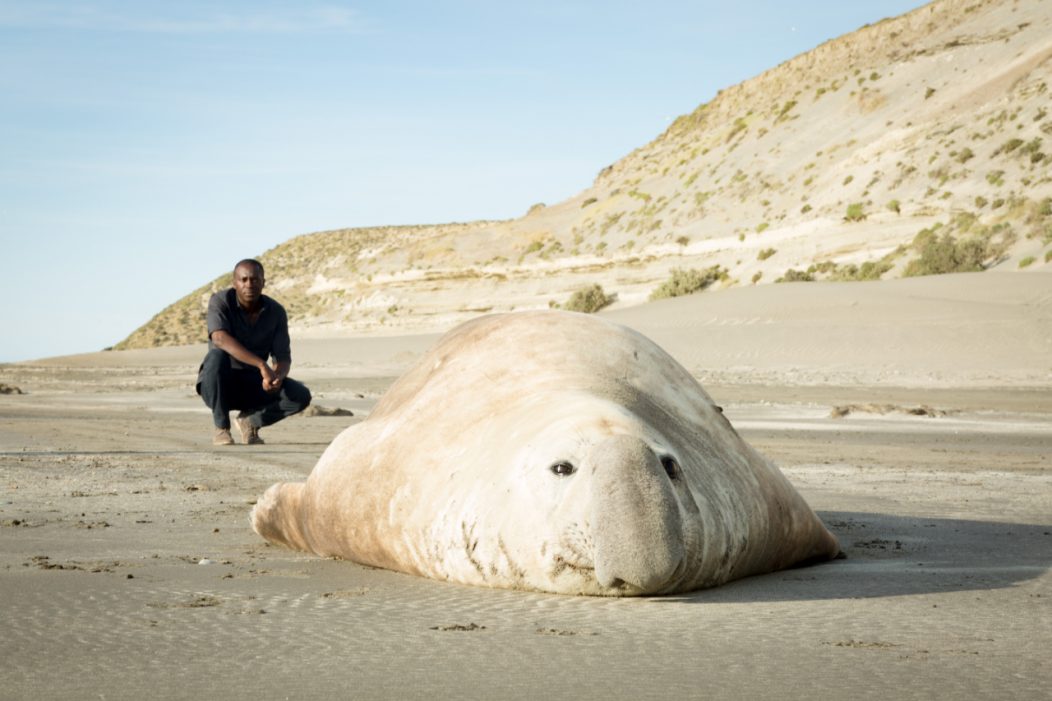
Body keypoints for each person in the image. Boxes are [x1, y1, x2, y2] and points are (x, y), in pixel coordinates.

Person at [195, 259, 311, 445]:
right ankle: (221, 428)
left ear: (263, 282)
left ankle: (250, 421)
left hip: (254, 385)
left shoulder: (276, 312)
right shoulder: (220, 302)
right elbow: (219, 338)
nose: (249, 284)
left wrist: (276, 377)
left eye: (255, 280)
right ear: (235, 283)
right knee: (216, 356)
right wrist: (261, 364)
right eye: (244, 279)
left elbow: (283, 357)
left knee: (300, 395)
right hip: (219, 385)